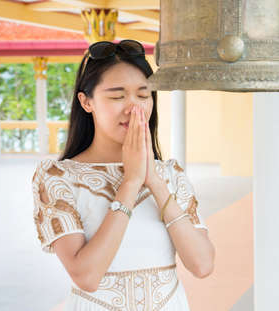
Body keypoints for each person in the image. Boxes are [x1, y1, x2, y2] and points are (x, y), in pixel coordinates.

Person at [31, 39, 215, 310]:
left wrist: (154, 180)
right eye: (117, 96)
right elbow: (87, 276)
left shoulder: (170, 174)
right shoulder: (58, 178)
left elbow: (202, 265)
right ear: (86, 102)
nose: (134, 107)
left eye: (143, 95)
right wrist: (130, 182)